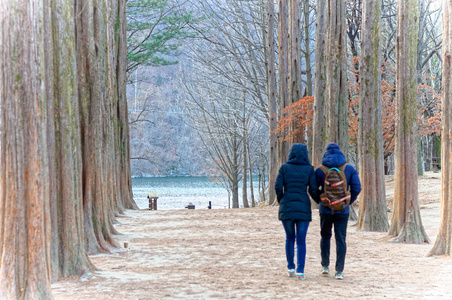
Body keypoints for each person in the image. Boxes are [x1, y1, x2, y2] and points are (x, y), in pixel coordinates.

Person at [314, 143, 361, 280]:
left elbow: (312, 188)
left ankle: (325, 266)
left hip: (325, 210)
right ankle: (339, 270)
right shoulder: (349, 169)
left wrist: (321, 200)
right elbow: (357, 188)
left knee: (325, 236)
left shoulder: (320, 170)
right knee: (341, 239)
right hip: (343, 211)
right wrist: (347, 202)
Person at [275, 143, 318, 280]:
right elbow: (313, 190)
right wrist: (319, 200)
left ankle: (290, 267)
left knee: (289, 238)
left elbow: (277, 186)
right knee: (301, 240)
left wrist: (281, 199)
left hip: (287, 207)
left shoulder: (284, 168)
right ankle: (300, 270)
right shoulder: (309, 169)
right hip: (303, 209)